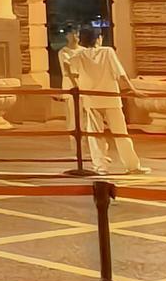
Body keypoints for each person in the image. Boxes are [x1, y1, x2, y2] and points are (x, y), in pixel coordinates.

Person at [58, 24, 145, 176]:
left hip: (91, 99)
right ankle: (132, 166)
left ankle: (100, 167)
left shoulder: (79, 55)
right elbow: (121, 74)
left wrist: (76, 85)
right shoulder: (108, 51)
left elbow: (69, 69)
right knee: (121, 133)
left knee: (95, 135)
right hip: (111, 98)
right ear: (99, 38)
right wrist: (133, 89)